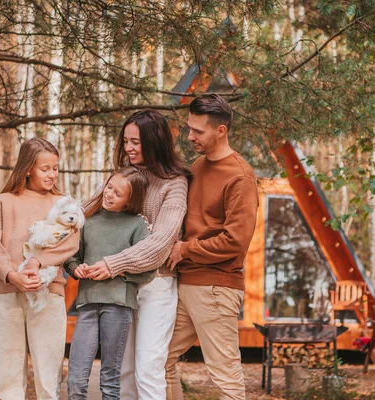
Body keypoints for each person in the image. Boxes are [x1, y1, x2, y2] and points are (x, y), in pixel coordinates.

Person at [80, 110, 189, 399]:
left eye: (136, 142)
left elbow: (161, 243)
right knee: (121, 370)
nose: (128, 148)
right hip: (119, 287)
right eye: (126, 141)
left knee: (148, 368)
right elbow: (85, 211)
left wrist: (113, 263)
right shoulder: (124, 176)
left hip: (156, 286)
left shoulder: (174, 184)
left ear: (155, 142)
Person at [165, 94, 259, 400]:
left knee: (225, 377)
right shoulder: (199, 165)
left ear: (221, 131)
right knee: (158, 359)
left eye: (198, 131)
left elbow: (235, 241)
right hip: (186, 283)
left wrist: (185, 250)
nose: (190, 136)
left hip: (217, 288)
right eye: (189, 128)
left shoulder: (240, 177)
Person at [0, 137, 80, 400]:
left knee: (48, 371)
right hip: (8, 291)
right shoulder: (5, 200)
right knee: (8, 369)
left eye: (55, 168)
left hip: (47, 291)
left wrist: (39, 263)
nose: (52, 175)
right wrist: (14, 275)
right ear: (28, 168)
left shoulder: (62, 202)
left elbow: (70, 242)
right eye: (45, 169)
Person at [65, 166, 155, 399]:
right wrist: (77, 269)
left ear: (129, 201)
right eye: (109, 186)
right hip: (86, 305)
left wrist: (118, 272)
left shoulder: (137, 225)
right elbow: (71, 257)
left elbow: (148, 269)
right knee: (75, 380)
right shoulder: (89, 220)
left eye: (118, 193)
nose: (109, 194)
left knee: (110, 381)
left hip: (118, 307)